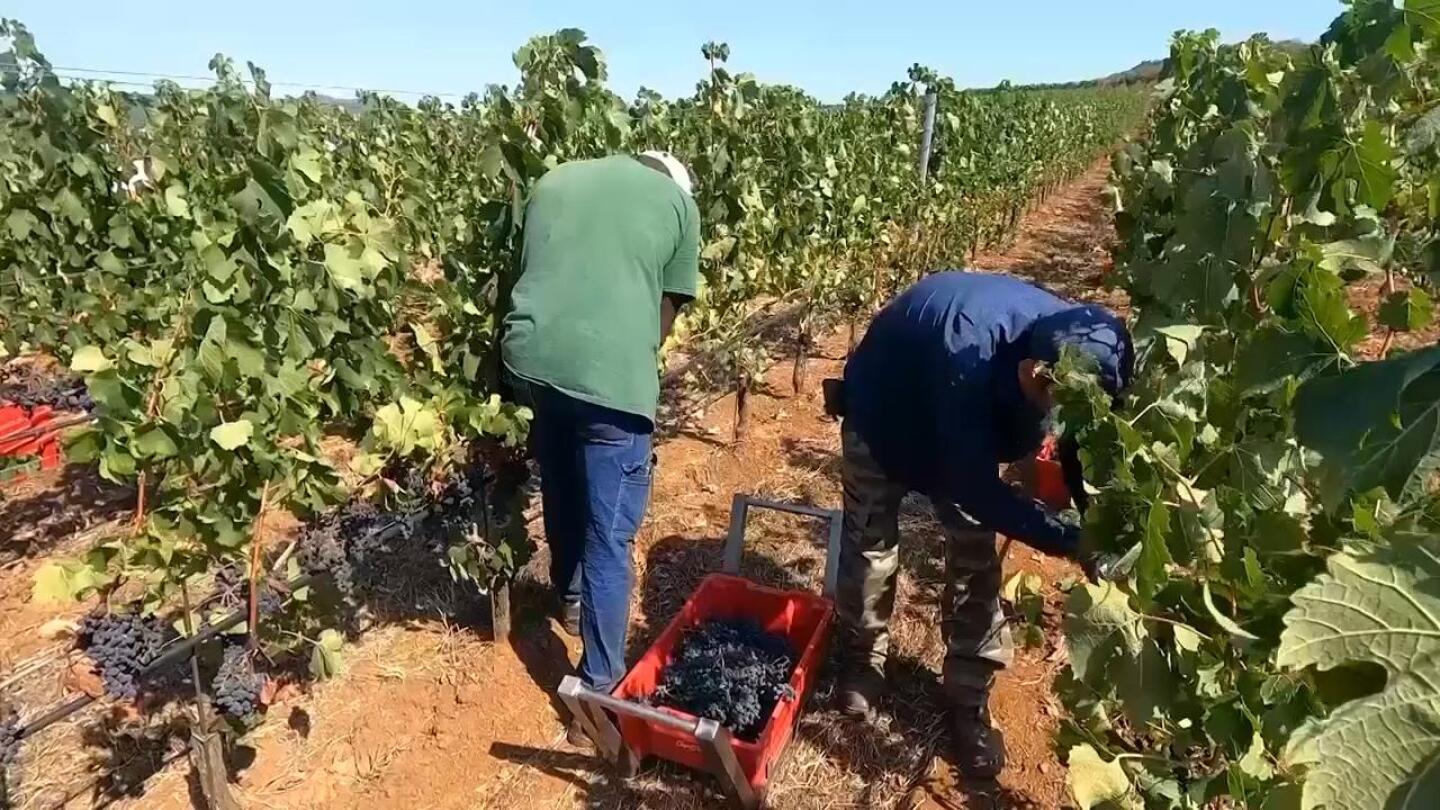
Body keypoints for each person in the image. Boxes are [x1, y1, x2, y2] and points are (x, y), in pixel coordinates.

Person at [832, 270, 1131, 779]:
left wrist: (1093, 516)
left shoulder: (1083, 354)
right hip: (885, 412)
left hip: (960, 418)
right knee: (871, 540)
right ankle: (863, 660)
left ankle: (967, 696)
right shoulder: (966, 353)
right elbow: (974, 489)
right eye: (1037, 385)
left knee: (974, 561)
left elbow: (1080, 440)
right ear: (1034, 369)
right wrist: (1071, 541)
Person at [501, 151, 700, 722]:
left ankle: (567, 600)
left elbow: (532, 274)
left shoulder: (554, 177)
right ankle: (600, 694)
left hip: (530, 362)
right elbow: (668, 310)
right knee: (610, 534)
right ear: (675, 183)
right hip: (608, 375)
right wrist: (629, 361)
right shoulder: (678, 205)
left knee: (563, 482)